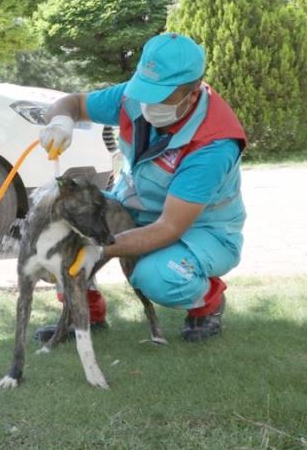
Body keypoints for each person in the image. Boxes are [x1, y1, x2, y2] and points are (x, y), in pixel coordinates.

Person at [38, 32, 246, 342]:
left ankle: (208, 301)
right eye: (145, 91)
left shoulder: (213, 145)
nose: (147, 103)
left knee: (157, 277)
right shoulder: (135, 95)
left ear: (191, 94)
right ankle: (83, 313)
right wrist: (61, 121)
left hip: (199, 231)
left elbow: (169, 228)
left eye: (160, 96)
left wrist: (96, 247)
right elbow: (74, 103)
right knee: (55, 221)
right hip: (134, 208)